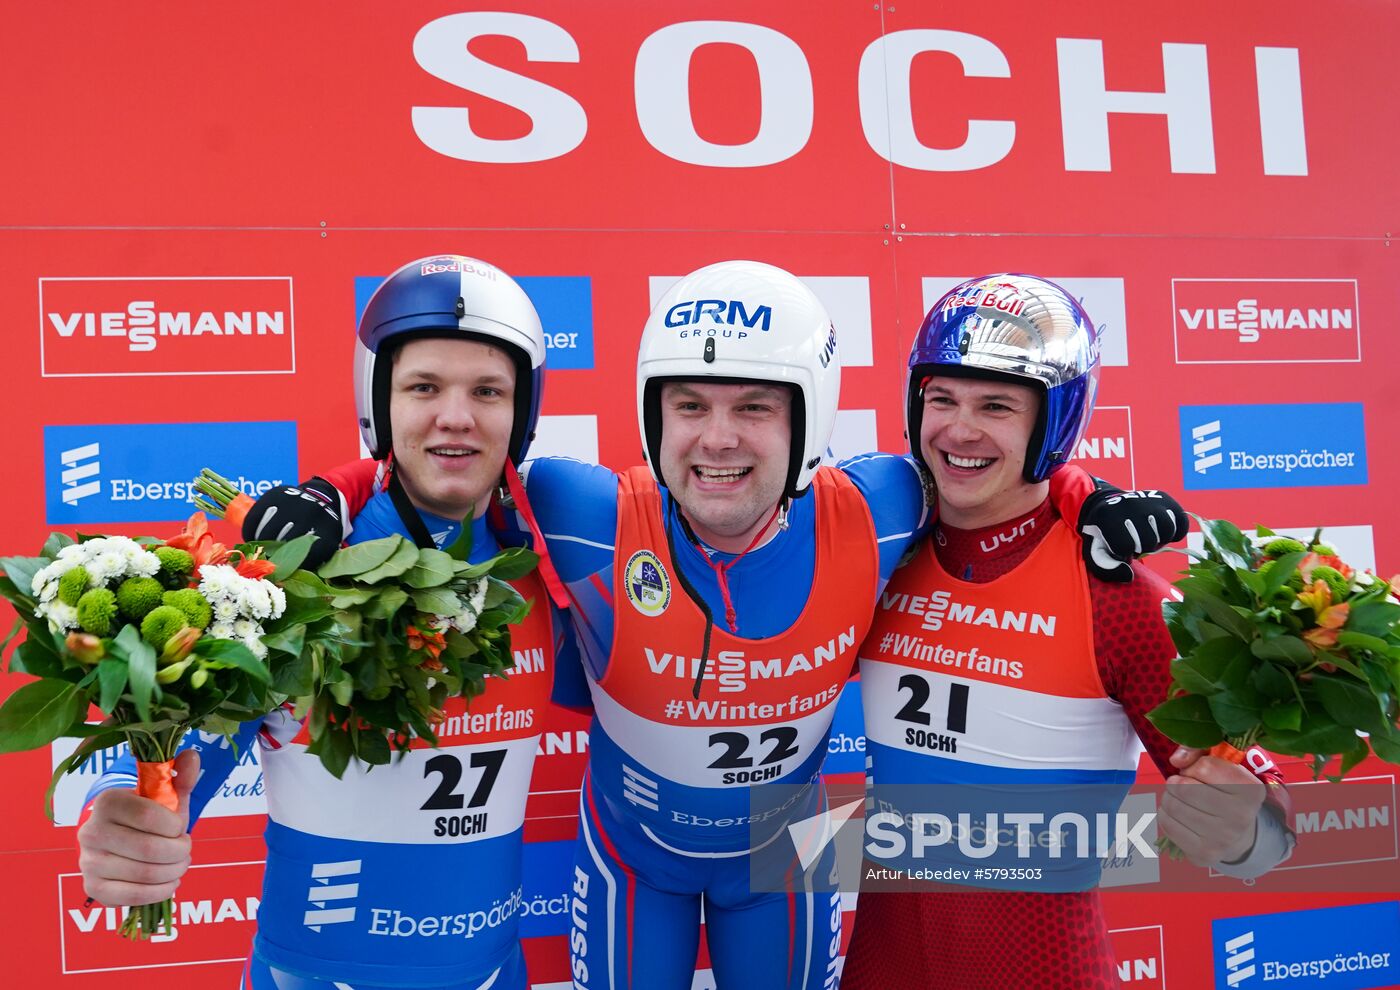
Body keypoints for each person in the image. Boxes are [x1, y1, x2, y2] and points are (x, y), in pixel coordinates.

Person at [299, 261, 1190, 989]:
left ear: (807, 418)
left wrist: (1087, 494)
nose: (716, 439)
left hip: (784, 861)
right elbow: (441, 468)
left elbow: (994, 484)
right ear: (654, 414)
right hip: (631, 858)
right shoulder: (579, 508)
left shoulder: (885, 504)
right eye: (689, 405)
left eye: (754, 407)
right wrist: (328, 491)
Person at [76, 255, 575, 990]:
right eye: (424, 387)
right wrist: (123, 804)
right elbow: (186, 739)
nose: (457, 416)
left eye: (488, 390)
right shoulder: (293, 566)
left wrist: (793, 839)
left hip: (495, 971)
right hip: (313, 973)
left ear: (521, 412)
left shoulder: (549, 551)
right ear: (380, 401)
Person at [841, 273, 1295, 990]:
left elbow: (1265, 825)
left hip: (1045, 969)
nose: (959, 430)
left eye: (995, 406)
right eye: (942, 399)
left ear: (1054, 422)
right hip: (879, 965)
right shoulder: (879, 549)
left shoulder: (1115, 588)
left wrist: (1242, 836)